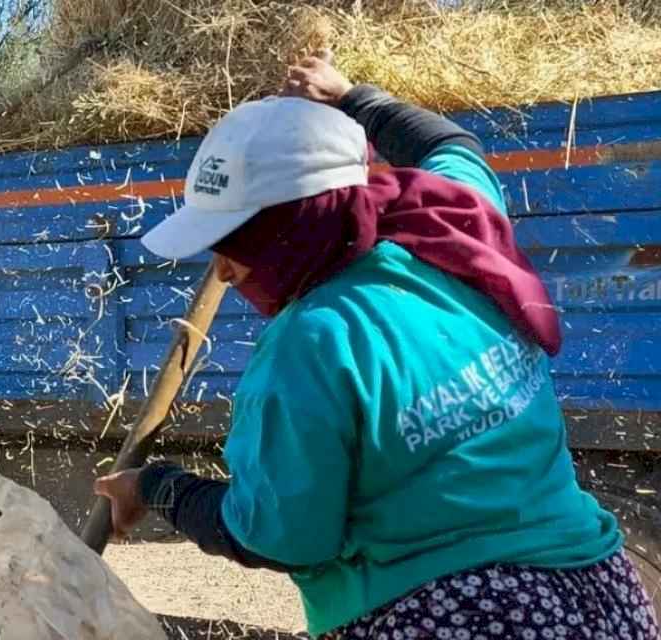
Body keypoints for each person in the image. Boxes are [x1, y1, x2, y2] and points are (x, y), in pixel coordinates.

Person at [93, 55, 659, 639]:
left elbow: (283, 537)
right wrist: (348, 97)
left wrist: (158, 488)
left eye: (235, 245)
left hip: (457, 620)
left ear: (290, 231)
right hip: (605, 597)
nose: (226, 273)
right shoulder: (453, 226)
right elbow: (452, 145)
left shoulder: (309, 344)